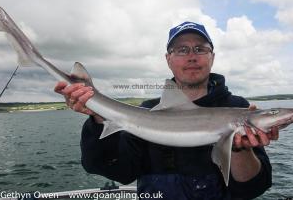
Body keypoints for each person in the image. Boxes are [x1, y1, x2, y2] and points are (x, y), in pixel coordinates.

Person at [54, 21, 278, 200]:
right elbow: (116, 171)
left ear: (212, 57)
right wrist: (98, 118)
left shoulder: (237, 107)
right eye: (181, 50)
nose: (192, 56)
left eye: (200, 49)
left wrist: (240, 151)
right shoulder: (148, 112)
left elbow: (254, 189)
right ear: (168, 59)